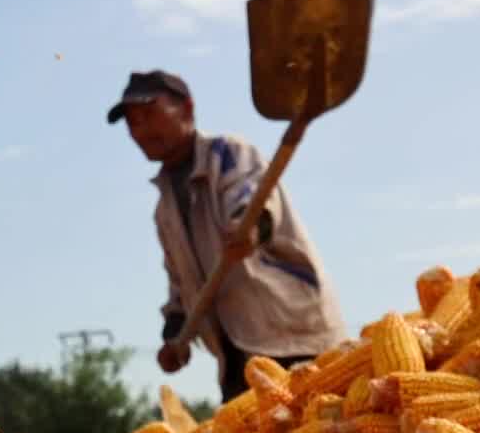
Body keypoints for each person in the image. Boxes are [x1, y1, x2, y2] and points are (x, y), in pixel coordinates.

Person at [107, 70, 345, 400]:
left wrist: (245, 229)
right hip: (234, 355)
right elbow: (181, 283)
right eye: (133, 123)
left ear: (187, 109)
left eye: (149, 115)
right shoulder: (165, 208)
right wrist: (175, 336)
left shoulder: (228, 155)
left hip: (290, 337)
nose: (141, 131)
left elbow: (253, 206)